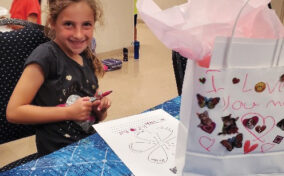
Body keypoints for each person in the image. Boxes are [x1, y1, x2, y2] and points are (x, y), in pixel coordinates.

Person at [6, 0, 111, 156]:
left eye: (86, 24)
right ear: (53, 23)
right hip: (58, 155)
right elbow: (14, 112)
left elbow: (91, 116)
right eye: (68, 24)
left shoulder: (86, 56)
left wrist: (99, 110)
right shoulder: (46, 57)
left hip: (88, 145)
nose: (78, 34)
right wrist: (69, 112)